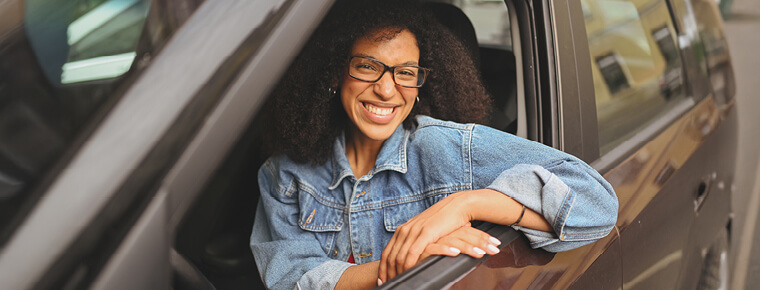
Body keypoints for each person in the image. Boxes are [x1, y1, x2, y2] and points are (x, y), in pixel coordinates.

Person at [250, 0, 618, 289]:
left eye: (406, 73)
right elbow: (290, 276)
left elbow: (597, 203)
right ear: (334, 72)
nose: (387, 88)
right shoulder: (286, 174)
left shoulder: (444, 147)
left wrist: (465, 204)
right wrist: (401, 264)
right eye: (367, 66)